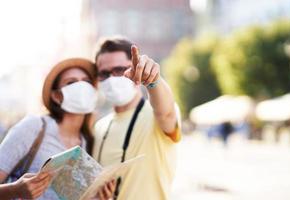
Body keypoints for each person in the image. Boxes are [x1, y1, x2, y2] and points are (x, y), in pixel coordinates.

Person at [0, 58, 115, 199]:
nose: (82, 87)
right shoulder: (34, 126)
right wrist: (15, 190)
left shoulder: (89, 142)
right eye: (71, 82)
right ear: (56, 96)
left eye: (87, 81)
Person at [93, 37, 181, 200]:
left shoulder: (155, 116)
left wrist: (153, 81)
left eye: (119, 70)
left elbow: (166, 113)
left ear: (135, 69)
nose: (112, 79)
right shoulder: (99, 127)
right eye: (104, 73)